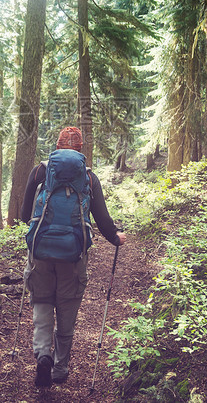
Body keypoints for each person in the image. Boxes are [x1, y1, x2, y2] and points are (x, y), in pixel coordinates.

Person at [19, 126, 126, 387]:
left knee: (42, 303)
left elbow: (24, 216)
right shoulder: (89, 178)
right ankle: (60, 368)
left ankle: (43, 354)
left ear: (56, 147)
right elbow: (102, 218)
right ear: (80, 150)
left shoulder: (39, 171)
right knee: (67, 309)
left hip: (40, 254)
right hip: (74, 256)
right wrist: (116, 238)